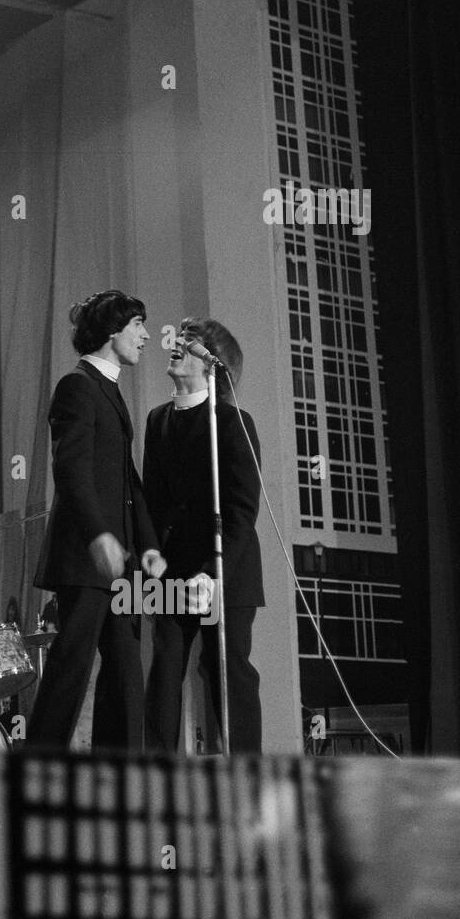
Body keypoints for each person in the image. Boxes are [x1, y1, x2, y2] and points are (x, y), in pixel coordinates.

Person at [27, 290, 166, 749]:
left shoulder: (108, 389)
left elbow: (128, 481)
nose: (146, 336)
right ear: (113, 331)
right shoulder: (78, 385)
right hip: (88, 559)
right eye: (138, 325)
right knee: (71, 665)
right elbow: (70, 470)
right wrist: (99, 535)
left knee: (126, 672)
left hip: (119, 563)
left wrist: (147, 545)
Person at [143, 317, 265, 753]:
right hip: (174, 569)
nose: (177, 344)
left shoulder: (232, 422)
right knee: (164, 666)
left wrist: (212, 573)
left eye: (191, 341)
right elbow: (154, 503)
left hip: (225, 571)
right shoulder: (157, 420)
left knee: (227, 669)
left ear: (213, 363)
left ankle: (246, 775)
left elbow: (241, 510)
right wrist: (151, 554)